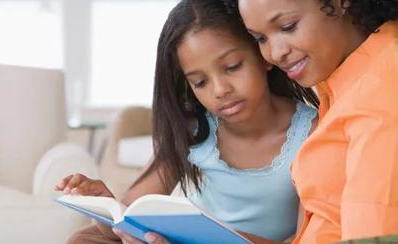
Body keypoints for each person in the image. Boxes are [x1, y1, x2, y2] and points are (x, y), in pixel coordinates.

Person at [56, 0, 318, 243]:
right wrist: (105, 205)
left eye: (232, 66)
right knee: (86, 239)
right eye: (200, 82)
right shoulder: (193, 130)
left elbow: (309, 238)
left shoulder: (312, 133)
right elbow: (128, 220)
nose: (220, 90)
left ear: (263, 53)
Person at [221, 0, 398, 242]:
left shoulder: (381, 90)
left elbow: (376, 236)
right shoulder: (346, 79)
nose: (274, 54)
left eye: (287, 26)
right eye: (260, 38)